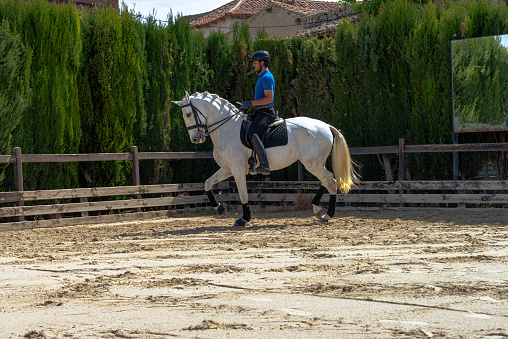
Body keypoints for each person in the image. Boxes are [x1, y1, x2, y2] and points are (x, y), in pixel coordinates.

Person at [241, 50, 276, 175]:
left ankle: (265, 166)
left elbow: (269, 99)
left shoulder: (266, 77)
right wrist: (249, 106)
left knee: (253, 133)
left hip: (266, 113)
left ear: (262, 63)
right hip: (259, 111)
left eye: (255, 63)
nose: (253, 65)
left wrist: (250, 103)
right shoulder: (261, 76)